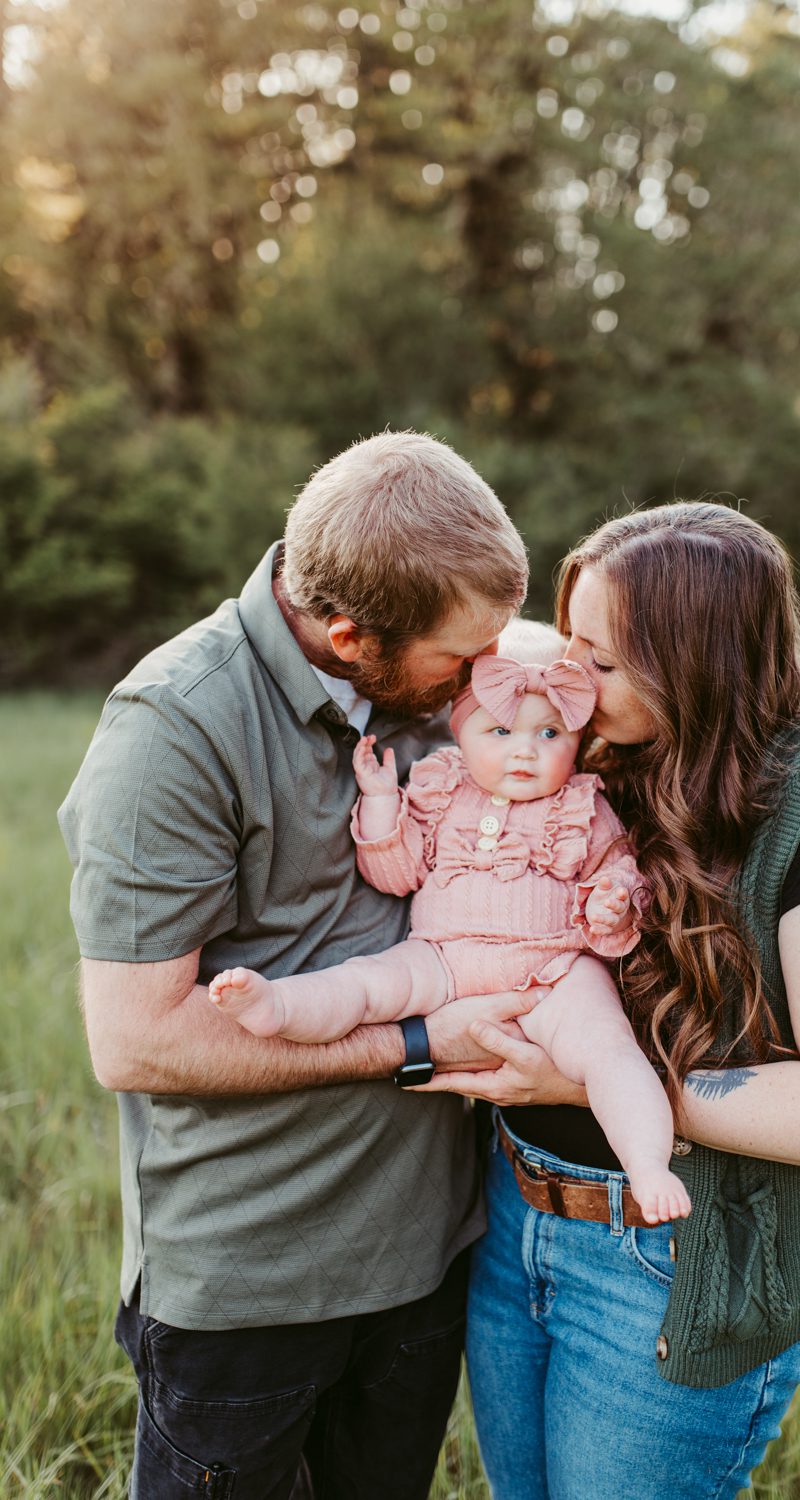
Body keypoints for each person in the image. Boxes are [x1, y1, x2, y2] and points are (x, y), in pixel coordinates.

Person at [57, 431, 532, 1499]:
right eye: (462, 660)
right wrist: (414, 1044)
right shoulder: (173, 728)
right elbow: (137, 1040)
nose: (487, 681)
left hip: (424, 1268)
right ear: (348, 632)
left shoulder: (433, 684)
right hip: (249, 1291)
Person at [417, 502, 800, 1499]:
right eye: (573, 649)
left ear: (699, 660)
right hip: (515, 1222)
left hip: (669, 1267)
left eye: (602, 664)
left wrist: (589, 1082)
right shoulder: (594, 750)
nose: (570, 686)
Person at [209, 648, 693, 1225]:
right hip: (441, 956)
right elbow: (397, 873)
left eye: (549, 733)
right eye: (500, 731)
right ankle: (279, 1004)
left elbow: (618, 877)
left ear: (578, 742)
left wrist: (614, 907)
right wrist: (385, 803)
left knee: (609, 1050)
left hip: (554, 972)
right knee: (364, 984)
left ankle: (647, 1165)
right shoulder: (440, 789)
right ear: (460, 733)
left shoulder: (584, 806)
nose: (524, 750)